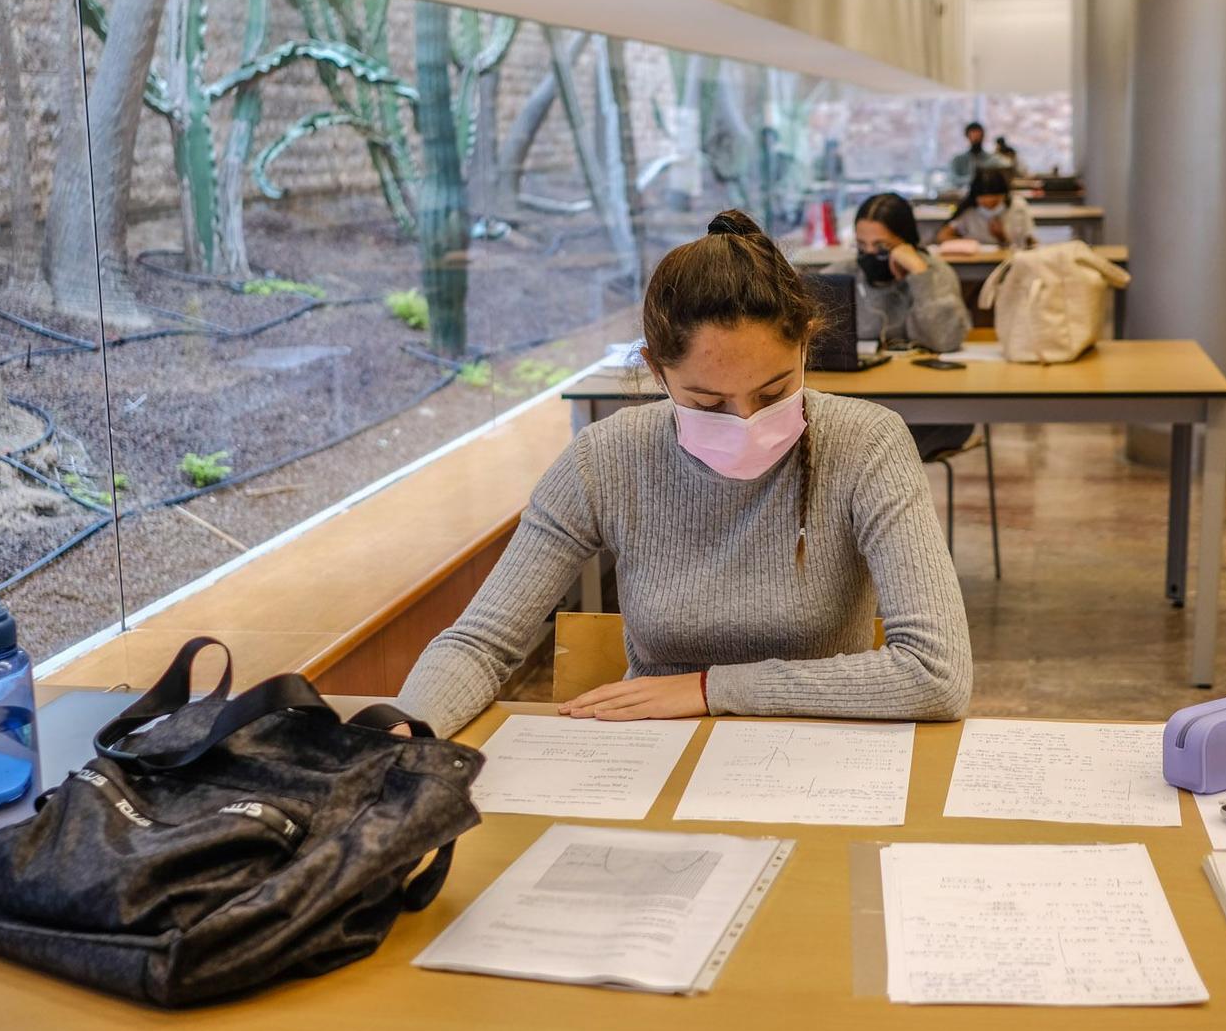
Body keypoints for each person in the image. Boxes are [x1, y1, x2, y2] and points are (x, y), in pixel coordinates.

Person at [394, 210, 973, 736]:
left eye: (773, 392)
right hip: (654, 752)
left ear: (805, 346)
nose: (746, 420)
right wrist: (401, 739)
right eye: (707, 402)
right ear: (655, 369)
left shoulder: (866, 443)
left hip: (819, 746)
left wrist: (709, 689)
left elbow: (936, 672)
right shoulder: (607, 458)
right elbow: (480, 642)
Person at [852, 192, 977, 461]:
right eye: (862, 246)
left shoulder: (935, 273)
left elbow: (944, 339)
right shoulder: (845, 275)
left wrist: (920, 275)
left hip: (933, 412)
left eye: (882, 247)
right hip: (866, 407)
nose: (870, 255)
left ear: (906, 242)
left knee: (870, 450)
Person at [937, 165, 1036, 249]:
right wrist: (968, 245)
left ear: (1005, 195)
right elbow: (943, 235)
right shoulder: (969, 211)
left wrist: (1002, 237)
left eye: (995, 203)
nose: (990, 207)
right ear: (975, 198)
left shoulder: (1017, 207)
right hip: (977, 261)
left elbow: (1029, 241)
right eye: (984, 204)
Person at [946, 120, 994, 185]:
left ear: (983, 136)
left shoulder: (990, 159)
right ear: (967, 136)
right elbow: (953, 179)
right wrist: (973, 179)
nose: (976, 138)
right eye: (973, 135)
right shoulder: (958, 160)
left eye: (978, 135)